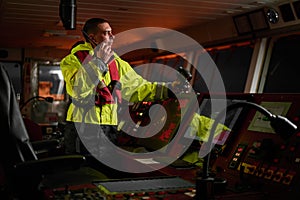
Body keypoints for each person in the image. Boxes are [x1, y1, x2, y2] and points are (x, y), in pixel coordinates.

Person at [60, 18, 179, 155]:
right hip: (82, 127)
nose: (112, 37)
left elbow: (139, 88)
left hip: (109, 128)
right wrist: (99, 63)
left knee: (105, 172)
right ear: (92, 38)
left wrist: (169, 89)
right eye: (107, 33)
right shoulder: (73, 60)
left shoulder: (117, 63)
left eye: (112, 33)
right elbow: (78, 90)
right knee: (84, 172)